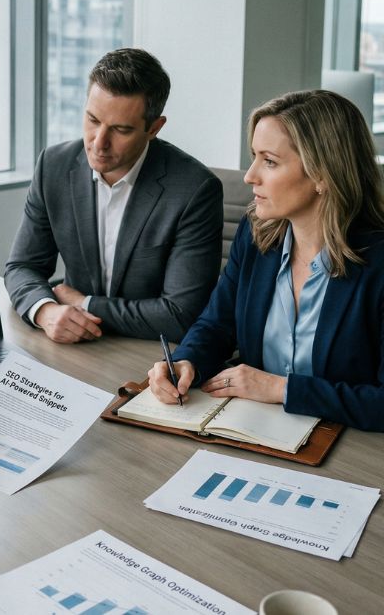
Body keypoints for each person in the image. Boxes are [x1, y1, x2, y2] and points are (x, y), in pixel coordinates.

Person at [148, 89, 384, 432]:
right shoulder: (258, 233)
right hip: (254, 430)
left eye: (269, 161)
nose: (250, 176)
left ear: (322, 174)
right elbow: (217, 324)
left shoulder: (377, 263)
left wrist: (281, 389)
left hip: (348, 448)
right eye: (254, 156)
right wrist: (187, 362)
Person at [5, 48, 223, 344]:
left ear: (154, 129)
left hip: (148, 354)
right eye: (93, 120)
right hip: (74, 346)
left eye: (120, 130)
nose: (99, 142)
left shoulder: (194, 190)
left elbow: (180, 315)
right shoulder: (54, 166)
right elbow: (22, 266)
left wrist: (84, 305)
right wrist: (45, 311)